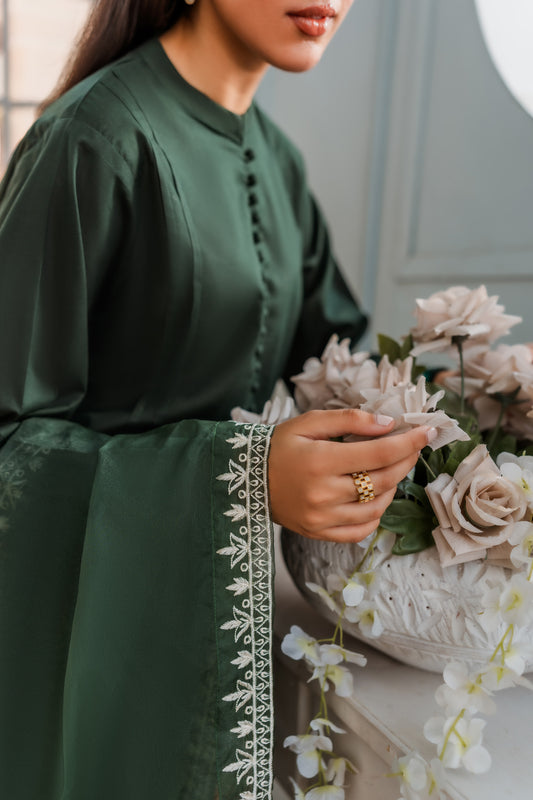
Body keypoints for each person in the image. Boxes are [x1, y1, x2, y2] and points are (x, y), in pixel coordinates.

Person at [0, 1, 433, 798]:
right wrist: (243, 477)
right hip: (83, 650)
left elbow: (337, 364)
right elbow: (8, 444)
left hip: (211, 627)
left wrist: (482, 396)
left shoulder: (277, 159)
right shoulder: (93, 139)